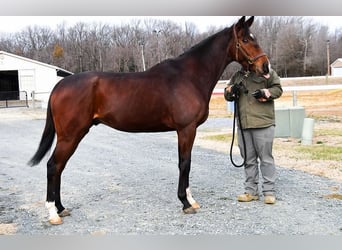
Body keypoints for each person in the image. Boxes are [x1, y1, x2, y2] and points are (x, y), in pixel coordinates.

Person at [224, 66, 283, 204]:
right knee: (248, 159)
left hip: (262, 123)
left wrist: (265, 93)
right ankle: (251, 191)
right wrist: (231, 91)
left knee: (266, 158)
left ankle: (269, 192)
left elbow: (278, 89)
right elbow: (227, 94)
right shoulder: (237, 75)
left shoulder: (266, 72)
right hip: (244, 124)